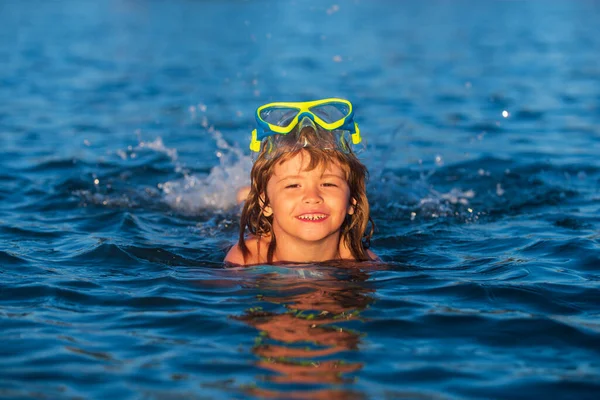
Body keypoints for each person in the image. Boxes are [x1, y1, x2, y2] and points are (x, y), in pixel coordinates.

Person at [225, 98, 377, 265]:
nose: (312, 196)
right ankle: (244, 198)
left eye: (328, 184)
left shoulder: (362, 262)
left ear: (352, 201)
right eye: (293, 185)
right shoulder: (247, 258)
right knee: (241, 213)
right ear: (265, 202)